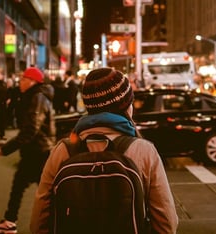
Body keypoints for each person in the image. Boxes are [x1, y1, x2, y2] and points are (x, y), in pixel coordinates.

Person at [30, 67, 179, 234]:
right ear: (125, 107)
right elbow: (166, 223)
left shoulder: (63, 150)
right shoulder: (143, 151)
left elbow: (39, 221)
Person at [0, 67, 56, 234]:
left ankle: (11, 221)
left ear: (32, 81)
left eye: (24, 79)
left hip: (38, 151)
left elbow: (31, 128)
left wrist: (8, 148)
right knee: (37, 189)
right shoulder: (34, 96)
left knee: (39, 190)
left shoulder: (37, 97)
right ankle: (10, 220)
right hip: (37, 150)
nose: (20, 82)